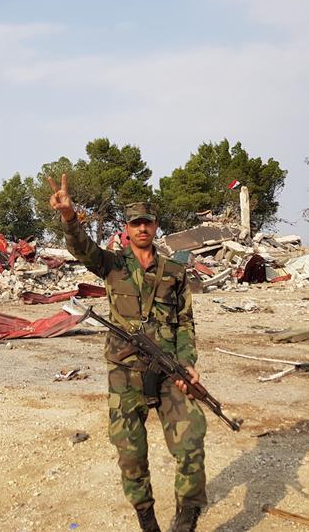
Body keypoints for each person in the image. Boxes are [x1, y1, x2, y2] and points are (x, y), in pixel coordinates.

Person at [48, 173, 206, 532]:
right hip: (125, 372)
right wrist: (70, 217)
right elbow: (81, 248)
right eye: (135, 223)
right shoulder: (113, 265)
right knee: (131, 453)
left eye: (147, 223)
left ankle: (186, 517)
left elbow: (185, 323)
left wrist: (188, 363)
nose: (142, 229)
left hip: (168, 371)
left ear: (155, 227)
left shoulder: (175, 272)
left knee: (192, 441)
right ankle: (147, 520)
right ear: (127, 228)